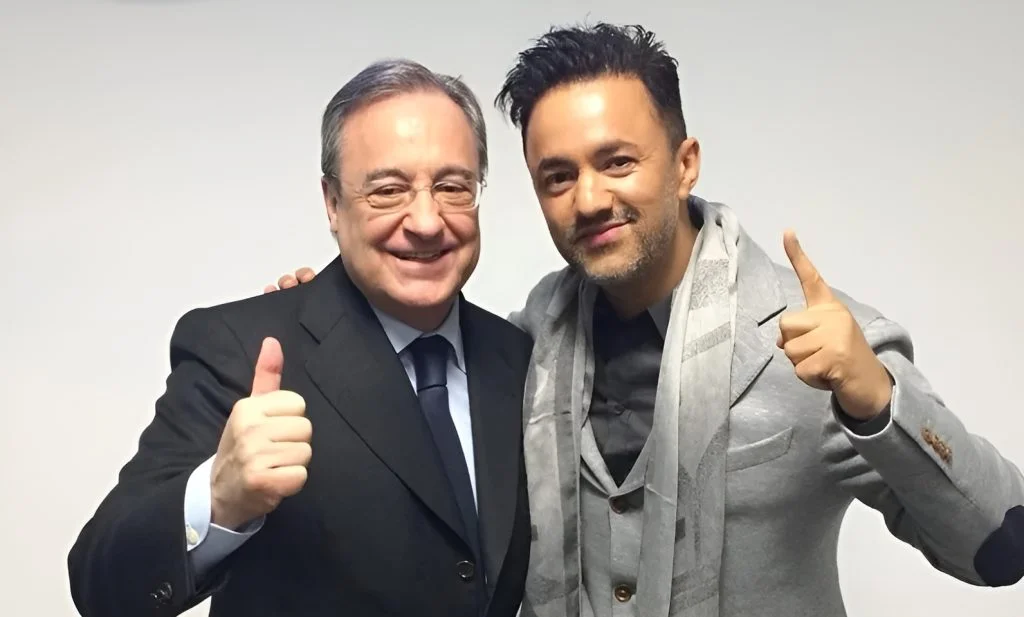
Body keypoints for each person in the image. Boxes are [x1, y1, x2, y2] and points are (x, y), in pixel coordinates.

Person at [270, 23, 1024, 617]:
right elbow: (412, 405)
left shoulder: (812, 341)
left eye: (618, 162)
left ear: (685, 162)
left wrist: (879, 400)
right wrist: (339, 316)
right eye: (557, 176)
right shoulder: (523, 346)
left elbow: (1000, 546)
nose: (589, 199)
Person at [67, 59, 533, 617]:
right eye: (388, 190)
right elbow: (100, 583)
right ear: (333, 204)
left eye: (453, 187)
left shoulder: (520, 358)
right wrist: (216, 498)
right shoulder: (240, 348)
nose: (427, 221)